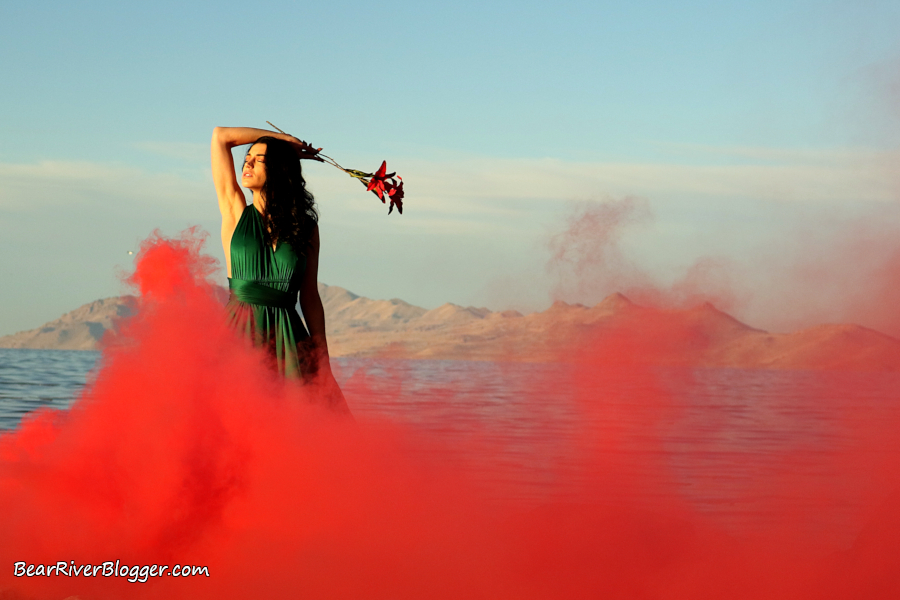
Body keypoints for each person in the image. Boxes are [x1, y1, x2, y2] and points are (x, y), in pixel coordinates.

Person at [211, 126, 350, 415]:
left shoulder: (306, 228)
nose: (246, 163)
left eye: (258, 159)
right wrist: (283, 141)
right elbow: (221, 136)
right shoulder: (235, 211)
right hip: (238, 336)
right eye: (246, 157)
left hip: (289, 341)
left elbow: (309, 296)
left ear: (278, 168)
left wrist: (322, 359)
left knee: (304, 428)